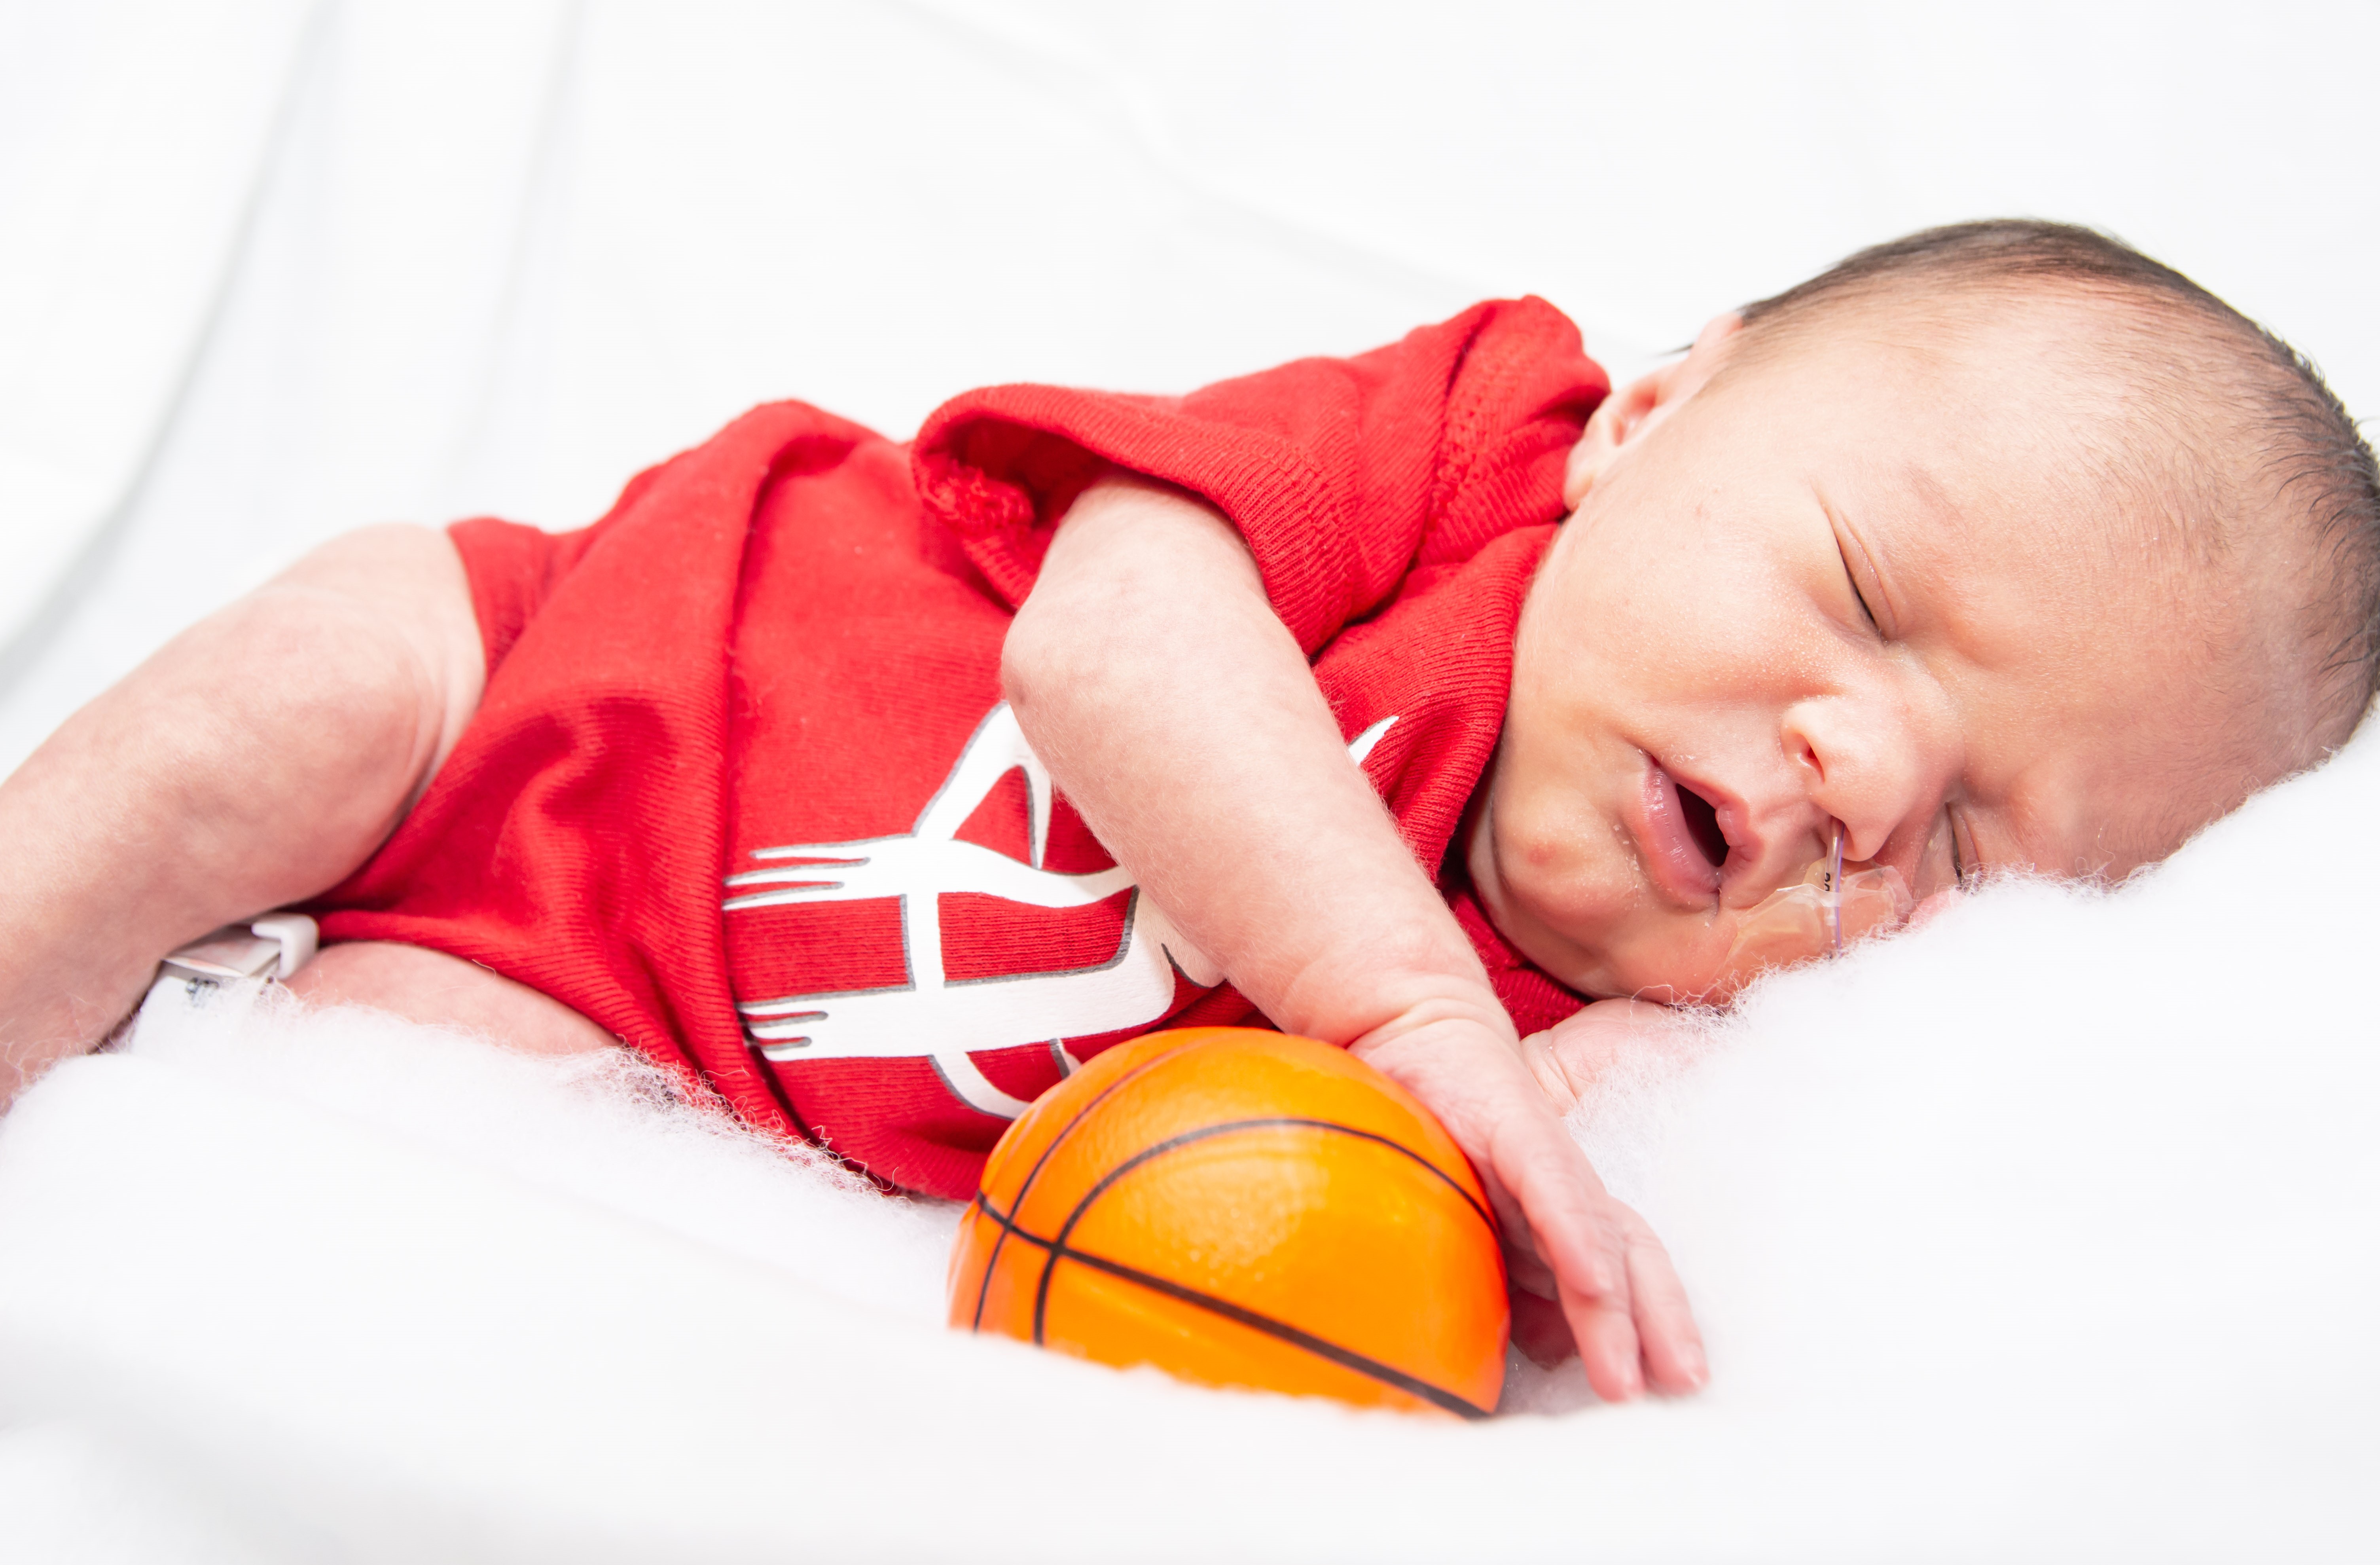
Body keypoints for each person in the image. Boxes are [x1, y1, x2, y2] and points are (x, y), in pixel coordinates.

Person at [2, 222, 2372, 1405]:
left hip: (622, 1034)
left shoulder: (1648, 1046)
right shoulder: (1471, 455)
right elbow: (1109, 631)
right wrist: (1406, 1010)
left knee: (332, 1279)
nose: (1867, 777)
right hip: (546, 675)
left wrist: (1535, 1164)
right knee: (270, 703)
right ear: (1655, 417)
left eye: (1978, 851)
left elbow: (1461, 1272)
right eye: (1859, 590)